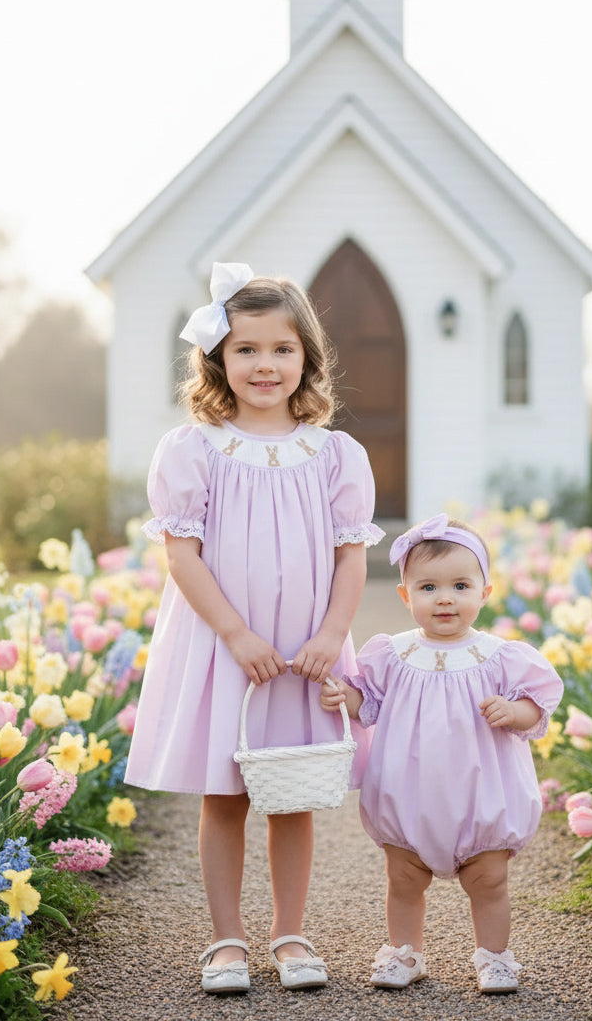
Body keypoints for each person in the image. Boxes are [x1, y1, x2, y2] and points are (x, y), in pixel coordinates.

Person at [126, 262, 383, 994]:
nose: (265, 364)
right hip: (224, 644)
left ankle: (291, 934)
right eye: (246, 349)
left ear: (307, 357)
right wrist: (235, 634)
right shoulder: (194, 449)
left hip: (304, 647)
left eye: (281, 349)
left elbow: (350, 557)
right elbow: (183, 553)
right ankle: (226, 940)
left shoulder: (335, 454)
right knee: (228, 793)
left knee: (292, 790)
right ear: (218, 358)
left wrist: (334, 634)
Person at [320, 514, 563, 994]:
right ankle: (404, 953)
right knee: (404, 879)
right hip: (409, 797)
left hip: (482, 799)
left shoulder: (500, 657)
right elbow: (368, 703)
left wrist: (513, 710)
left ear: (484, 592)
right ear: (407, 596)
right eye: (428, 587)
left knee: (489, 881)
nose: (445, 598)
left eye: (460, 585)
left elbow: (538, 708)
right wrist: (343, 700)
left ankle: (494, 957)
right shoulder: (393, 654)